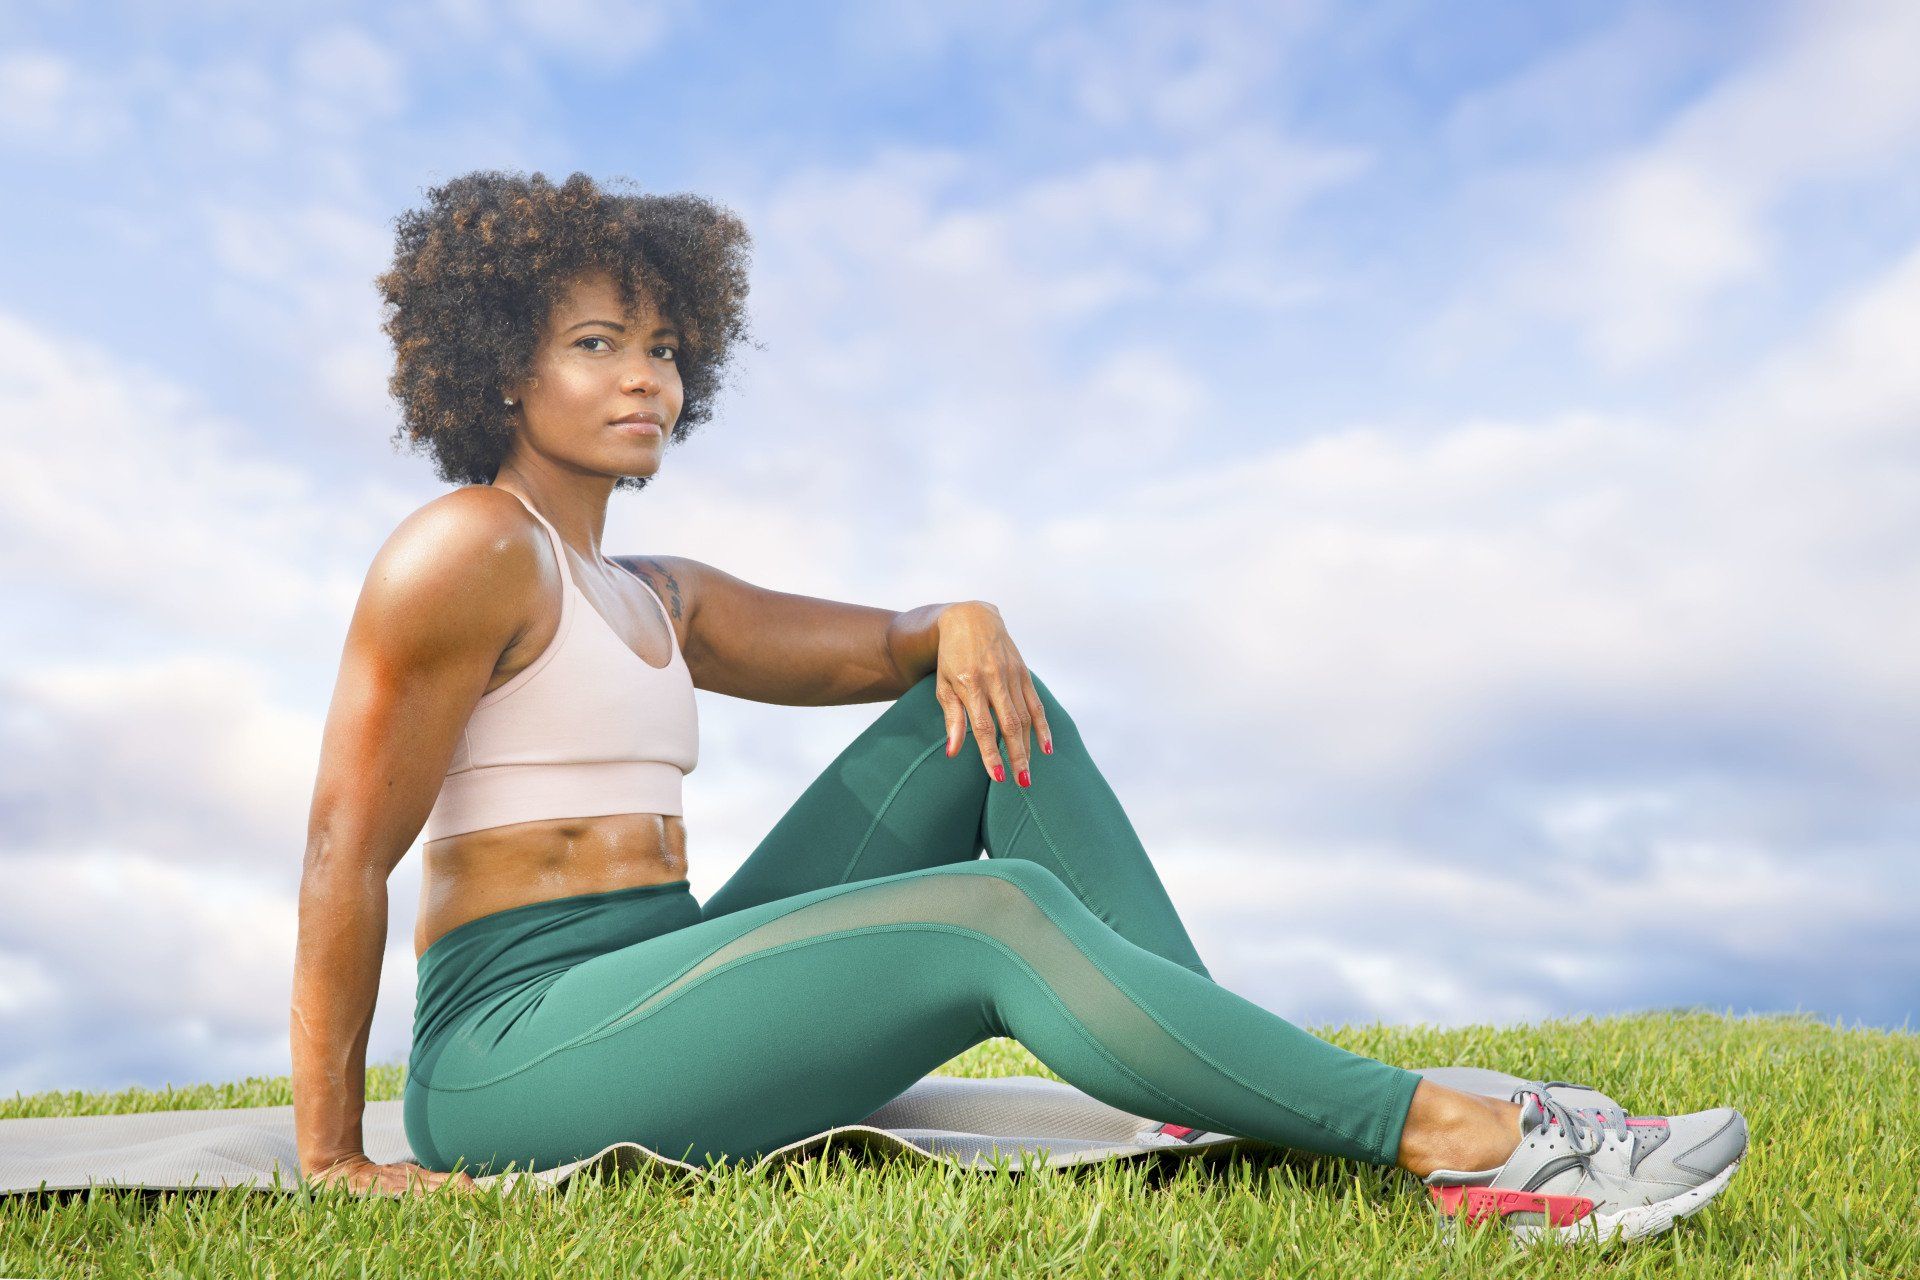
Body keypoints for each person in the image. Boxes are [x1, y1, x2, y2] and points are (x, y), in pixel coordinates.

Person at [289, 170, 1745, 1241]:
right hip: (516, 1052)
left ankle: (1213, 1082)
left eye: (663, 347)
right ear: (497, 367)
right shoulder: (465, 551)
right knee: (991, 914)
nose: (648, 380)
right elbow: (342, 854)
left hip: (660, 975)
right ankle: (1461, 1145)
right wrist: (333, 1155)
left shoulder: (657, 592)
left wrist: (960, 619)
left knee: (991, 710)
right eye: (597, 345)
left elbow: (893, 651)